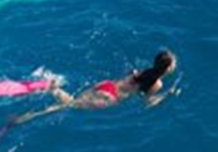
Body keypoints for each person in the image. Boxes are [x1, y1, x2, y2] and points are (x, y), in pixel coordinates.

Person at [12, 50, 179, 125]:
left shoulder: (144, 70)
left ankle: (53, 88)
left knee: (72, 101)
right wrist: (168, 94)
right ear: (167, 70)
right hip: (109, 97)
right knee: (68, 105)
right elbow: (148, 103)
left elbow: (132, 76)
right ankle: (25, 117)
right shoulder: (157, 83)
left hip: (107, 84)